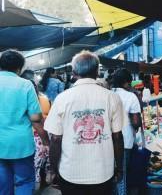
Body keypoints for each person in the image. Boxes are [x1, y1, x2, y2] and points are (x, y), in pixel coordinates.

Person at [44, 51, 125, 195]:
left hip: (70, 173)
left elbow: (55, 139)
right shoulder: (112, 97)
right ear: (97, 71)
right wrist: (119, 168)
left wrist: (53, 170)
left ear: (74, 73)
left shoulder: (62, 99)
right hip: (103, 173)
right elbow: (117, 137)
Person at [0, 50, 49, 195]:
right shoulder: (26, 85)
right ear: (19, 68)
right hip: (21, 146)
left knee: (3, 185)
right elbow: (36, 119)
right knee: (25, 182)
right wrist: (45, 141)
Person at [112, 69, 142, 195]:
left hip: (107, 141)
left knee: (110, 173)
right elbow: (136, 122)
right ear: (126, 82)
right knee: (121, 174)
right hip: (125, 141)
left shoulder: (108, 94)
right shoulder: (131, 97)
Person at [21, 70, 52, 191]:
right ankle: (42, 180)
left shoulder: (22, 98)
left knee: (33, 164)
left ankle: (35, 183)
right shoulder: (44, 99)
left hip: (30, 134)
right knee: (43, 161)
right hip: (42, 133)